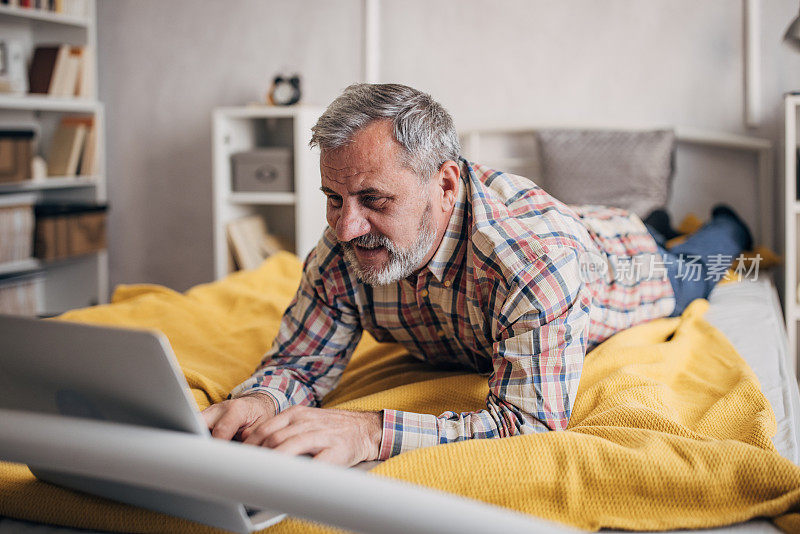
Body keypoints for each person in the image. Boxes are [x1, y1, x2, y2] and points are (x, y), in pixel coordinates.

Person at [201, 83, 753, 466]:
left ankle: (723, 225)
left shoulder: (535, 260)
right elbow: (301, 362)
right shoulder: (344, 247)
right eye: (333, 198)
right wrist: (260, 402)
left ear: (444, 184)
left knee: (702, 258)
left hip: (626, 263)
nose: (346, 228)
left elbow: (528, 424)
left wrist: (368, 431)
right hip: (574, 229)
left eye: (373, 199)